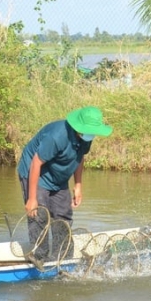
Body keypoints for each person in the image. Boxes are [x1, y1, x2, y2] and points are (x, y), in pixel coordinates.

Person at [17, 106, 113, 260]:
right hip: (35, 172)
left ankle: (62, 257)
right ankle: (40, 257)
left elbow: (80, 157)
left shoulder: (85, 138)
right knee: (39, 214)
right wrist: (32, 198)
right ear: (78, 128)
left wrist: (78, 185)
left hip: (59, 177)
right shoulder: (56, 137)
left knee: (63, 215)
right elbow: (36, 163)